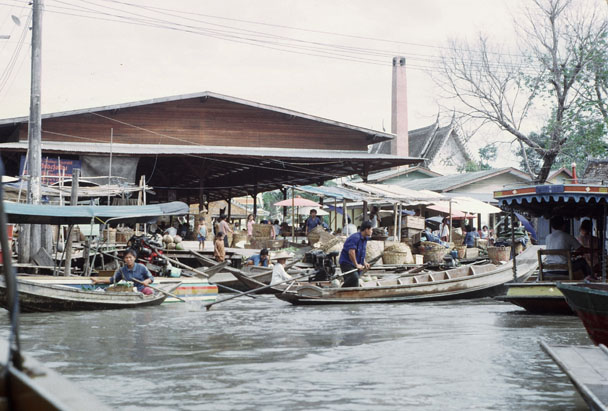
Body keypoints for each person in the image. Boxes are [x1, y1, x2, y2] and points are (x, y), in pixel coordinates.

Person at [545, 216, 593, 280]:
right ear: (563, 225)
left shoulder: (548, 237)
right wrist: (595, 250)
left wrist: (572, 254)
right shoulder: (568, 236)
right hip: (564, 269)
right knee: (582, 261)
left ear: (552, 227)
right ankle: (590, 278)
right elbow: (581, 249)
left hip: (549, 269)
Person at [338, 221, 373, 288]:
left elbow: (360, 253)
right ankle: (340, 292)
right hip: (347, 263)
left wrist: (364, 262)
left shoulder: (365, 239)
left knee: (352, 282)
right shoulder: (355, 238)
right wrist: (356, 265)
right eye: (371, 229)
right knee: (354, 278)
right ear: (366, 229)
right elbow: (351, 252)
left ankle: (347, 294)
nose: (372, 231)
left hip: (354, 263)